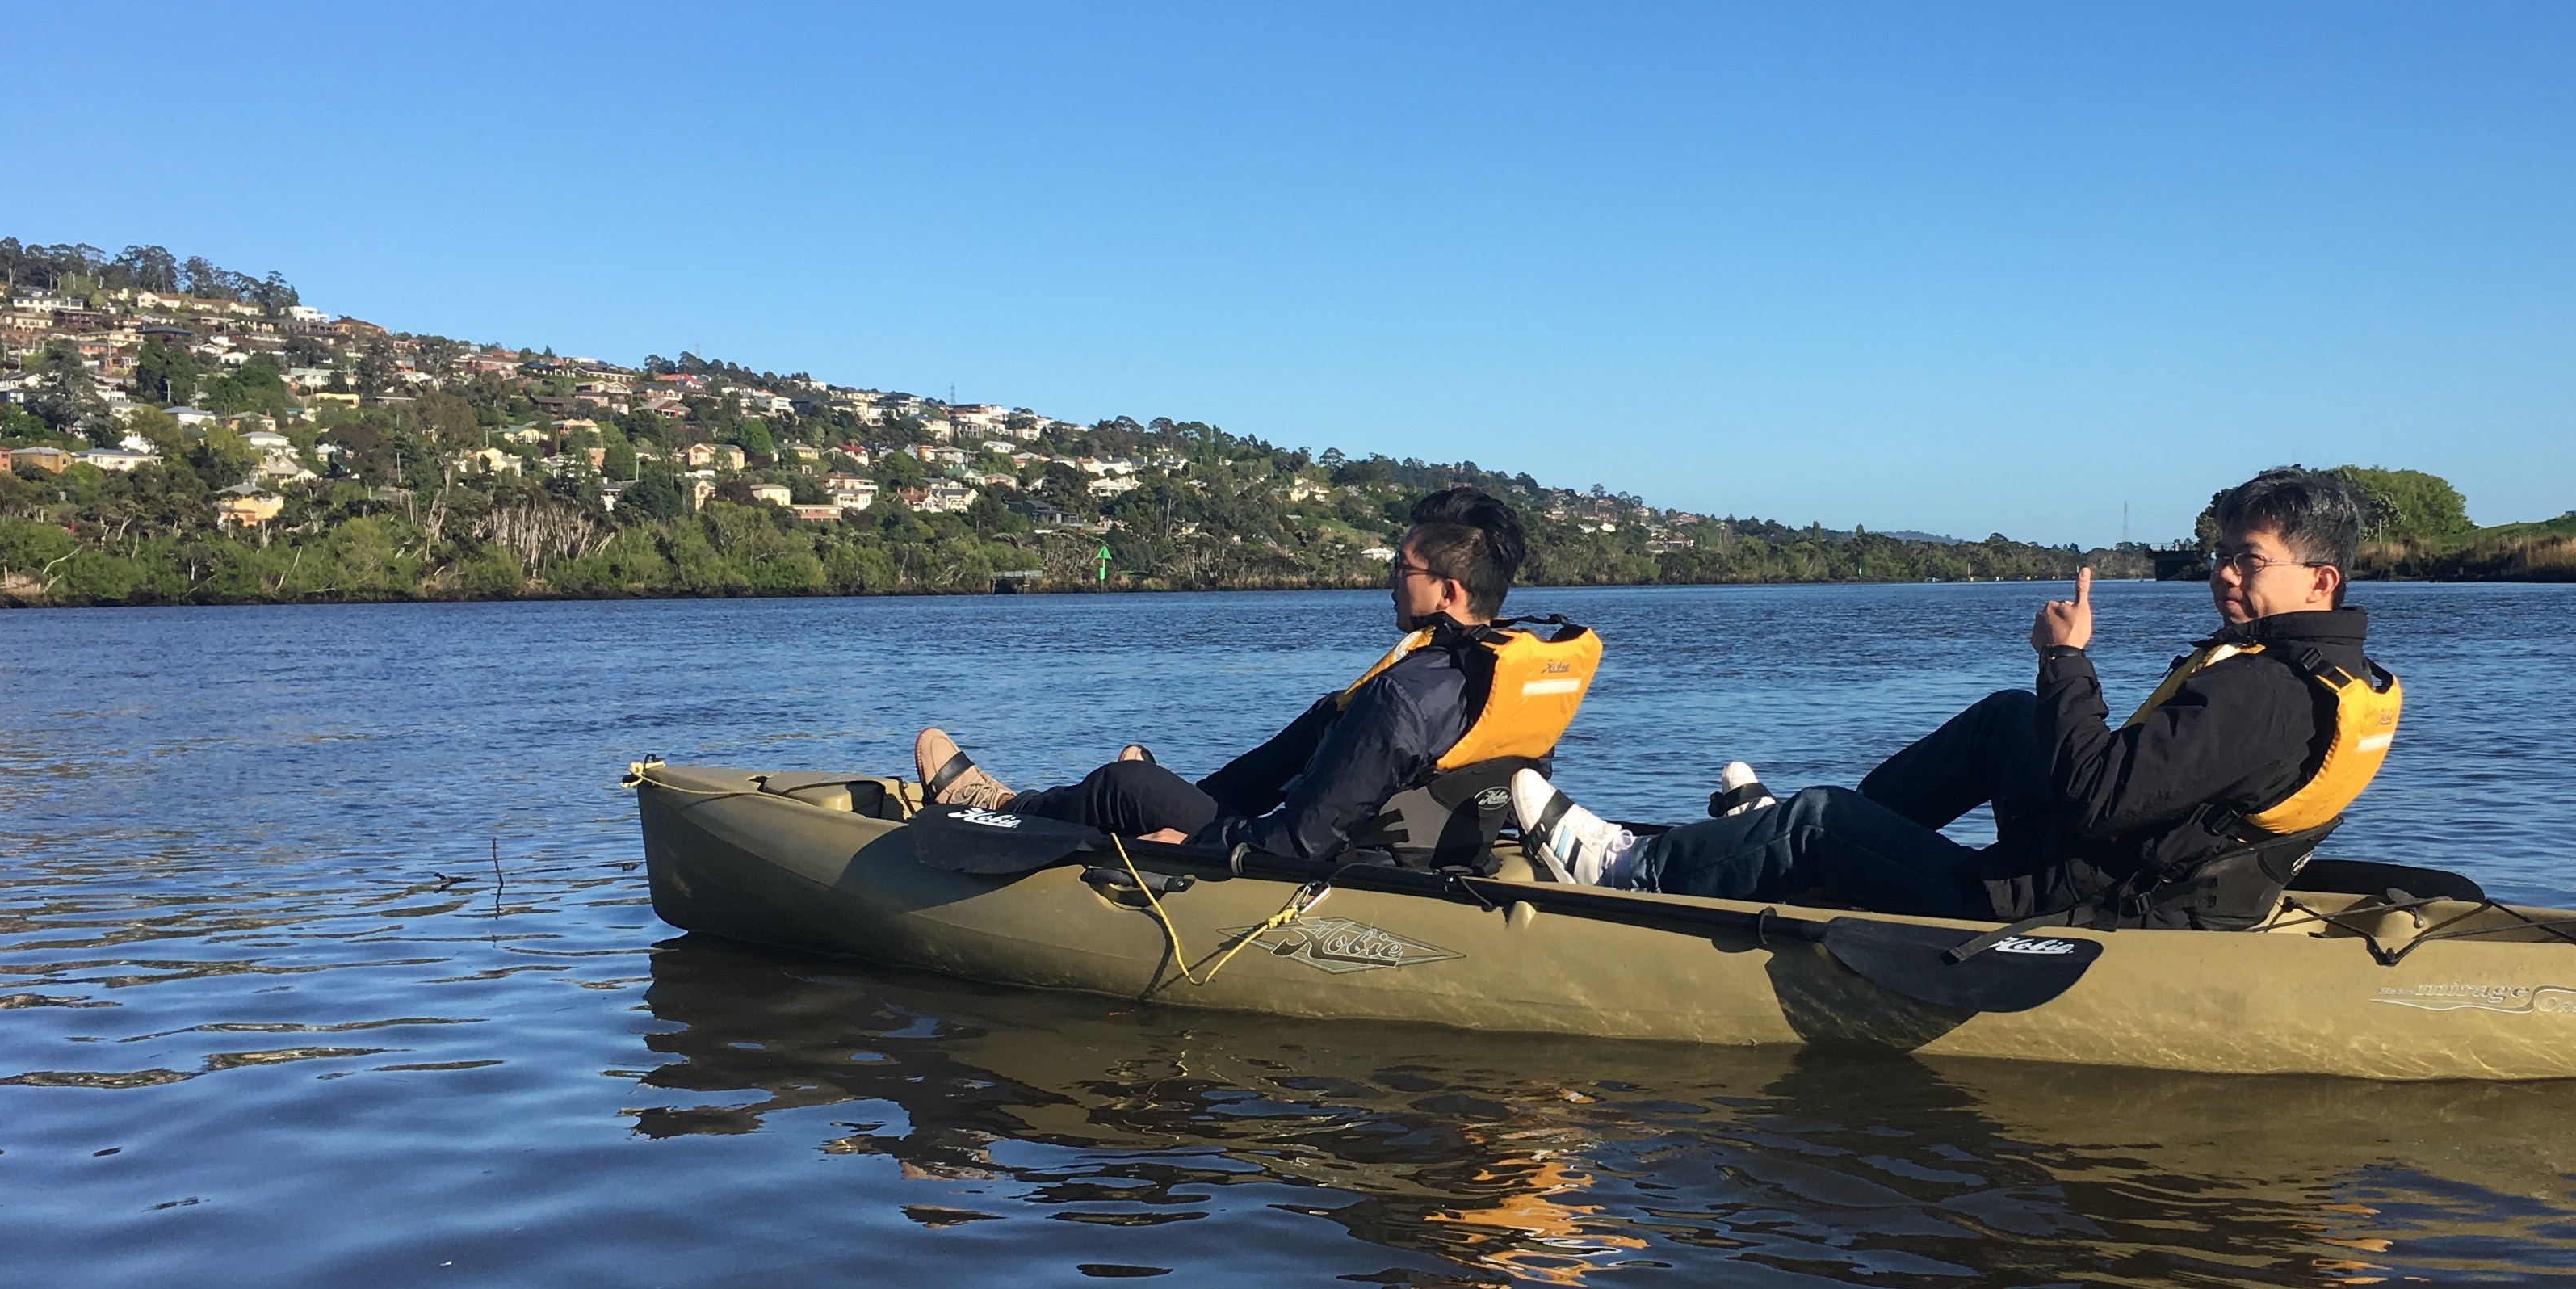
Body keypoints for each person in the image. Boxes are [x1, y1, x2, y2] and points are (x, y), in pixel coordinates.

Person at [1512, 464, 2398, 930]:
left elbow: (2097, 797)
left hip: (2069, 906)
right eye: (2222, 555)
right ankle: (1781, 844)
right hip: (2112, 865)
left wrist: (2068, 660)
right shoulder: (2320, 672)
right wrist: (2051, 687)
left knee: (1821, 816)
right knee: (2006, 721)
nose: (2224, 576)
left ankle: (1633, 872)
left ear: (2320, 582)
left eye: (2249, 561)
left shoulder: (2262, 692)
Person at [914, 487, 1596, 867]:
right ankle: (1162, 790)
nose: (1389, 577)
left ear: (1447, 592)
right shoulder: (1503, 670)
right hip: (1432, 851)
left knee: (1127, 786)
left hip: (1355, 865)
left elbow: (1300, 842)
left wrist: (1196, 842)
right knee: (1325, 717)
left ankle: (999, 809)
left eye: (1401, 567)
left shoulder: (1403, 698)